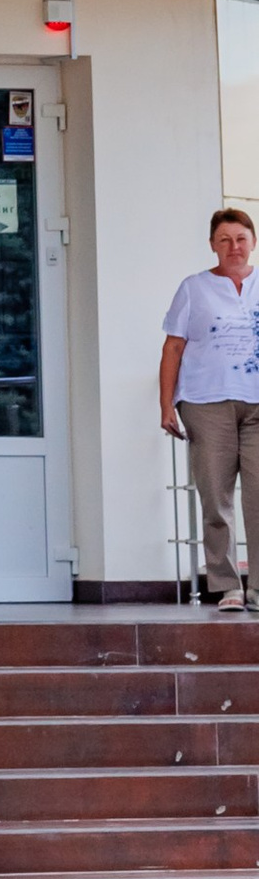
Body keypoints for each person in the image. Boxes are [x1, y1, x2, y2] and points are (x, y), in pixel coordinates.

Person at [161, 206, 259, 614]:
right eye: (225, 240)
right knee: (215, 497)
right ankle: (227, 586)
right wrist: (166, 403)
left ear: (252, 242)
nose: (233, 247)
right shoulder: (193, 288)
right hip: (206, 402)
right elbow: (173, 348)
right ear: (213, 245)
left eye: (240, 239)